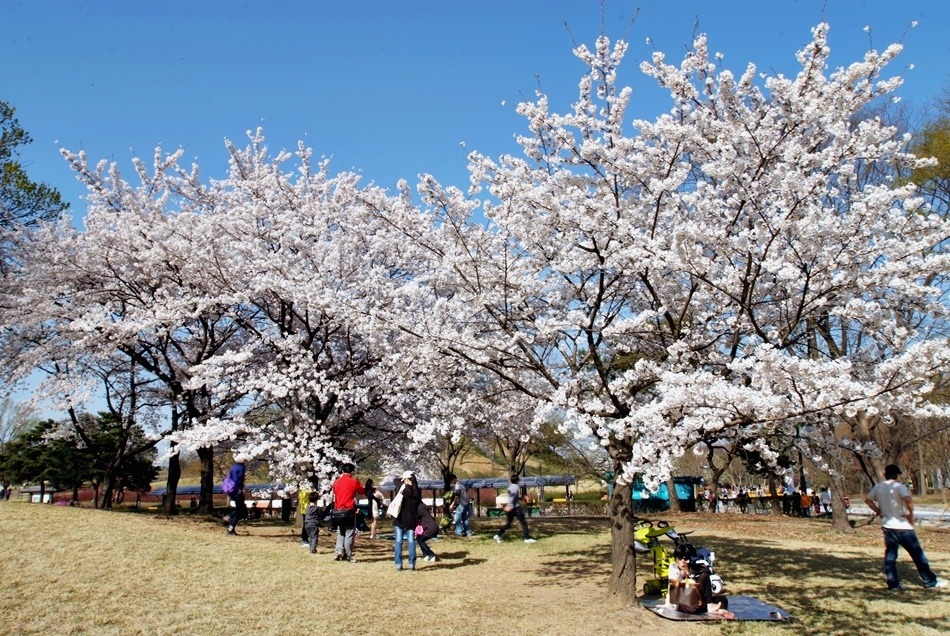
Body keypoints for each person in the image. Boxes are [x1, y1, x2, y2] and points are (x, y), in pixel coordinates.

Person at [864, 464, 947, 590]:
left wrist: (878, 511)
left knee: (890, 556)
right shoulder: (899, 486)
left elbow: (868, 500)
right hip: (903, 526)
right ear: (897, 475)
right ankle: (930, 582)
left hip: (887, 526)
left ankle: (893, 584)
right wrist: (910, 515)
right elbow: (908, 499)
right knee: (917, 555)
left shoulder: (878, 487)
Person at [667, 544, 734, 619]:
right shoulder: (674, 568)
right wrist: (683, 575)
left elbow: (705, 583)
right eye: (680, 558)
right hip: (684, 604)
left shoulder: (692, 567)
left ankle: (720, 610)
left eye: (685, 558)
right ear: (675, 559)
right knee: (704, 576)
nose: (683, 561)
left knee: (723, 599)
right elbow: (675, 590)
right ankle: (711, 607)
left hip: (698, 602)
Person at [331, 463, 365, 562]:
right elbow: (362, 491)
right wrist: (358, 482)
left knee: (341, 532)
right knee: (349, 534)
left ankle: (338, 551)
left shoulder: (336, 482)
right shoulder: (353, 481)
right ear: (352, 472)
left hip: (338, 510)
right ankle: (348, 555)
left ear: (342, 471)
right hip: (349, 511)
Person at [493, 475, 536, 544]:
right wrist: (510, 506)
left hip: (511, 507)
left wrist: (521, 498)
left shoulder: (510, 487)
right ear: (517, 480)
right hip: (515, 508)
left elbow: (513, 497)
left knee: (509, 523)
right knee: (523, 522)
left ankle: (498, 535)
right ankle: (527, 538)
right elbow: (512, 498)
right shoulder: (515, 487)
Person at [393, 471, 421, 571]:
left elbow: (395, 480)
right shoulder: (417, 490)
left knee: (398, 541)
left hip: (400, 517)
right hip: (411, 518)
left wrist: (403, 479)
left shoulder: (403, 488)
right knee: (411, 540)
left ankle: (398, 563)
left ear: (406, 479)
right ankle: (411, 564)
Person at [224, 461, 246, 535]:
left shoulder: (234, 467)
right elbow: (239, 480)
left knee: (239, 509)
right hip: (237, 491)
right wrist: (242, 489)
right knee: (239, 510)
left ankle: (231, 529)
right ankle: (229, 519)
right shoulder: (241, 467)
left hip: (231, 490)